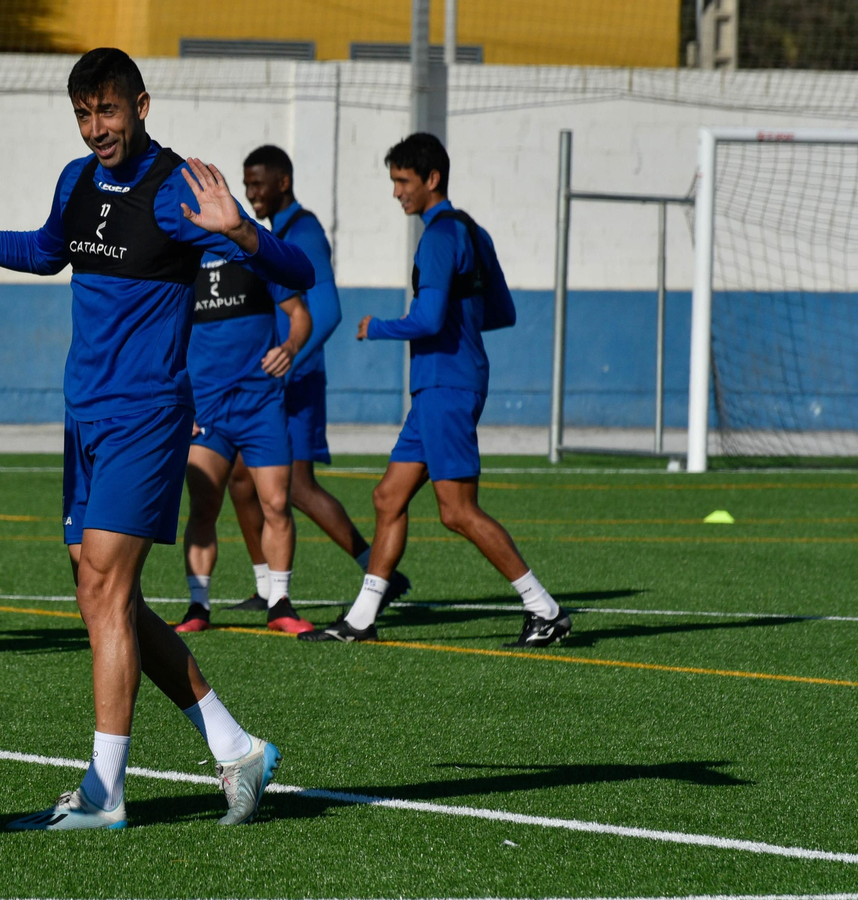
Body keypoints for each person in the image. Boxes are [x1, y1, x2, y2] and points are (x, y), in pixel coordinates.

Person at [0, 47, 314, 830]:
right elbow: (41, 252)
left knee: (104, 588)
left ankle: (104, 793)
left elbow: (294, 272)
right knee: (105, 597)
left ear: (142, 104)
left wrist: (242, 231)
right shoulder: (75, 179)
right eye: (84, 114)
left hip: (145, 415)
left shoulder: (177, 191)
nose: (98, 128)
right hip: (83, 417)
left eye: (109, 110)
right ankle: (236, 748)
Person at [306, 133, 570, 647]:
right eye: (394, 182)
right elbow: (503, 312)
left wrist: (376, 327)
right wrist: (460, 328)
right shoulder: (474, 232)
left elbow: (426, 320)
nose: (397, 193)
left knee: (457, 511)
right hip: (443, 386)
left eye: (403, 182)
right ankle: (361, 620)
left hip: (445, 386)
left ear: (432, 180)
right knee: (388, 496)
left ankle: (545, 610)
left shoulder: (438, 237)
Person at [222, 145, 412, 616]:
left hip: (295, 382)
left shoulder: (303, 232)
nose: (251, 193)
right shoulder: (275, 232)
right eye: (246, 185)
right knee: (241, 480)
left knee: (298, 488)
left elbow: (327, 311)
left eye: (258, 184)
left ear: (282, 182)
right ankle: (267, 587)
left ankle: (377, 569)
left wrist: (290, 358)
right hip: (272, 383)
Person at [174, 248, 314, 634]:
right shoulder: (182, 261)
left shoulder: (256, 256)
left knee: (276, 503)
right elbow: (164, 331)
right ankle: (198, 607)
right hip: (205, 411)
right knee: (203, 505)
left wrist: (289, 348)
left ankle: (279, 603)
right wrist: (177, 401)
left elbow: (300, 316)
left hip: (260, 406)